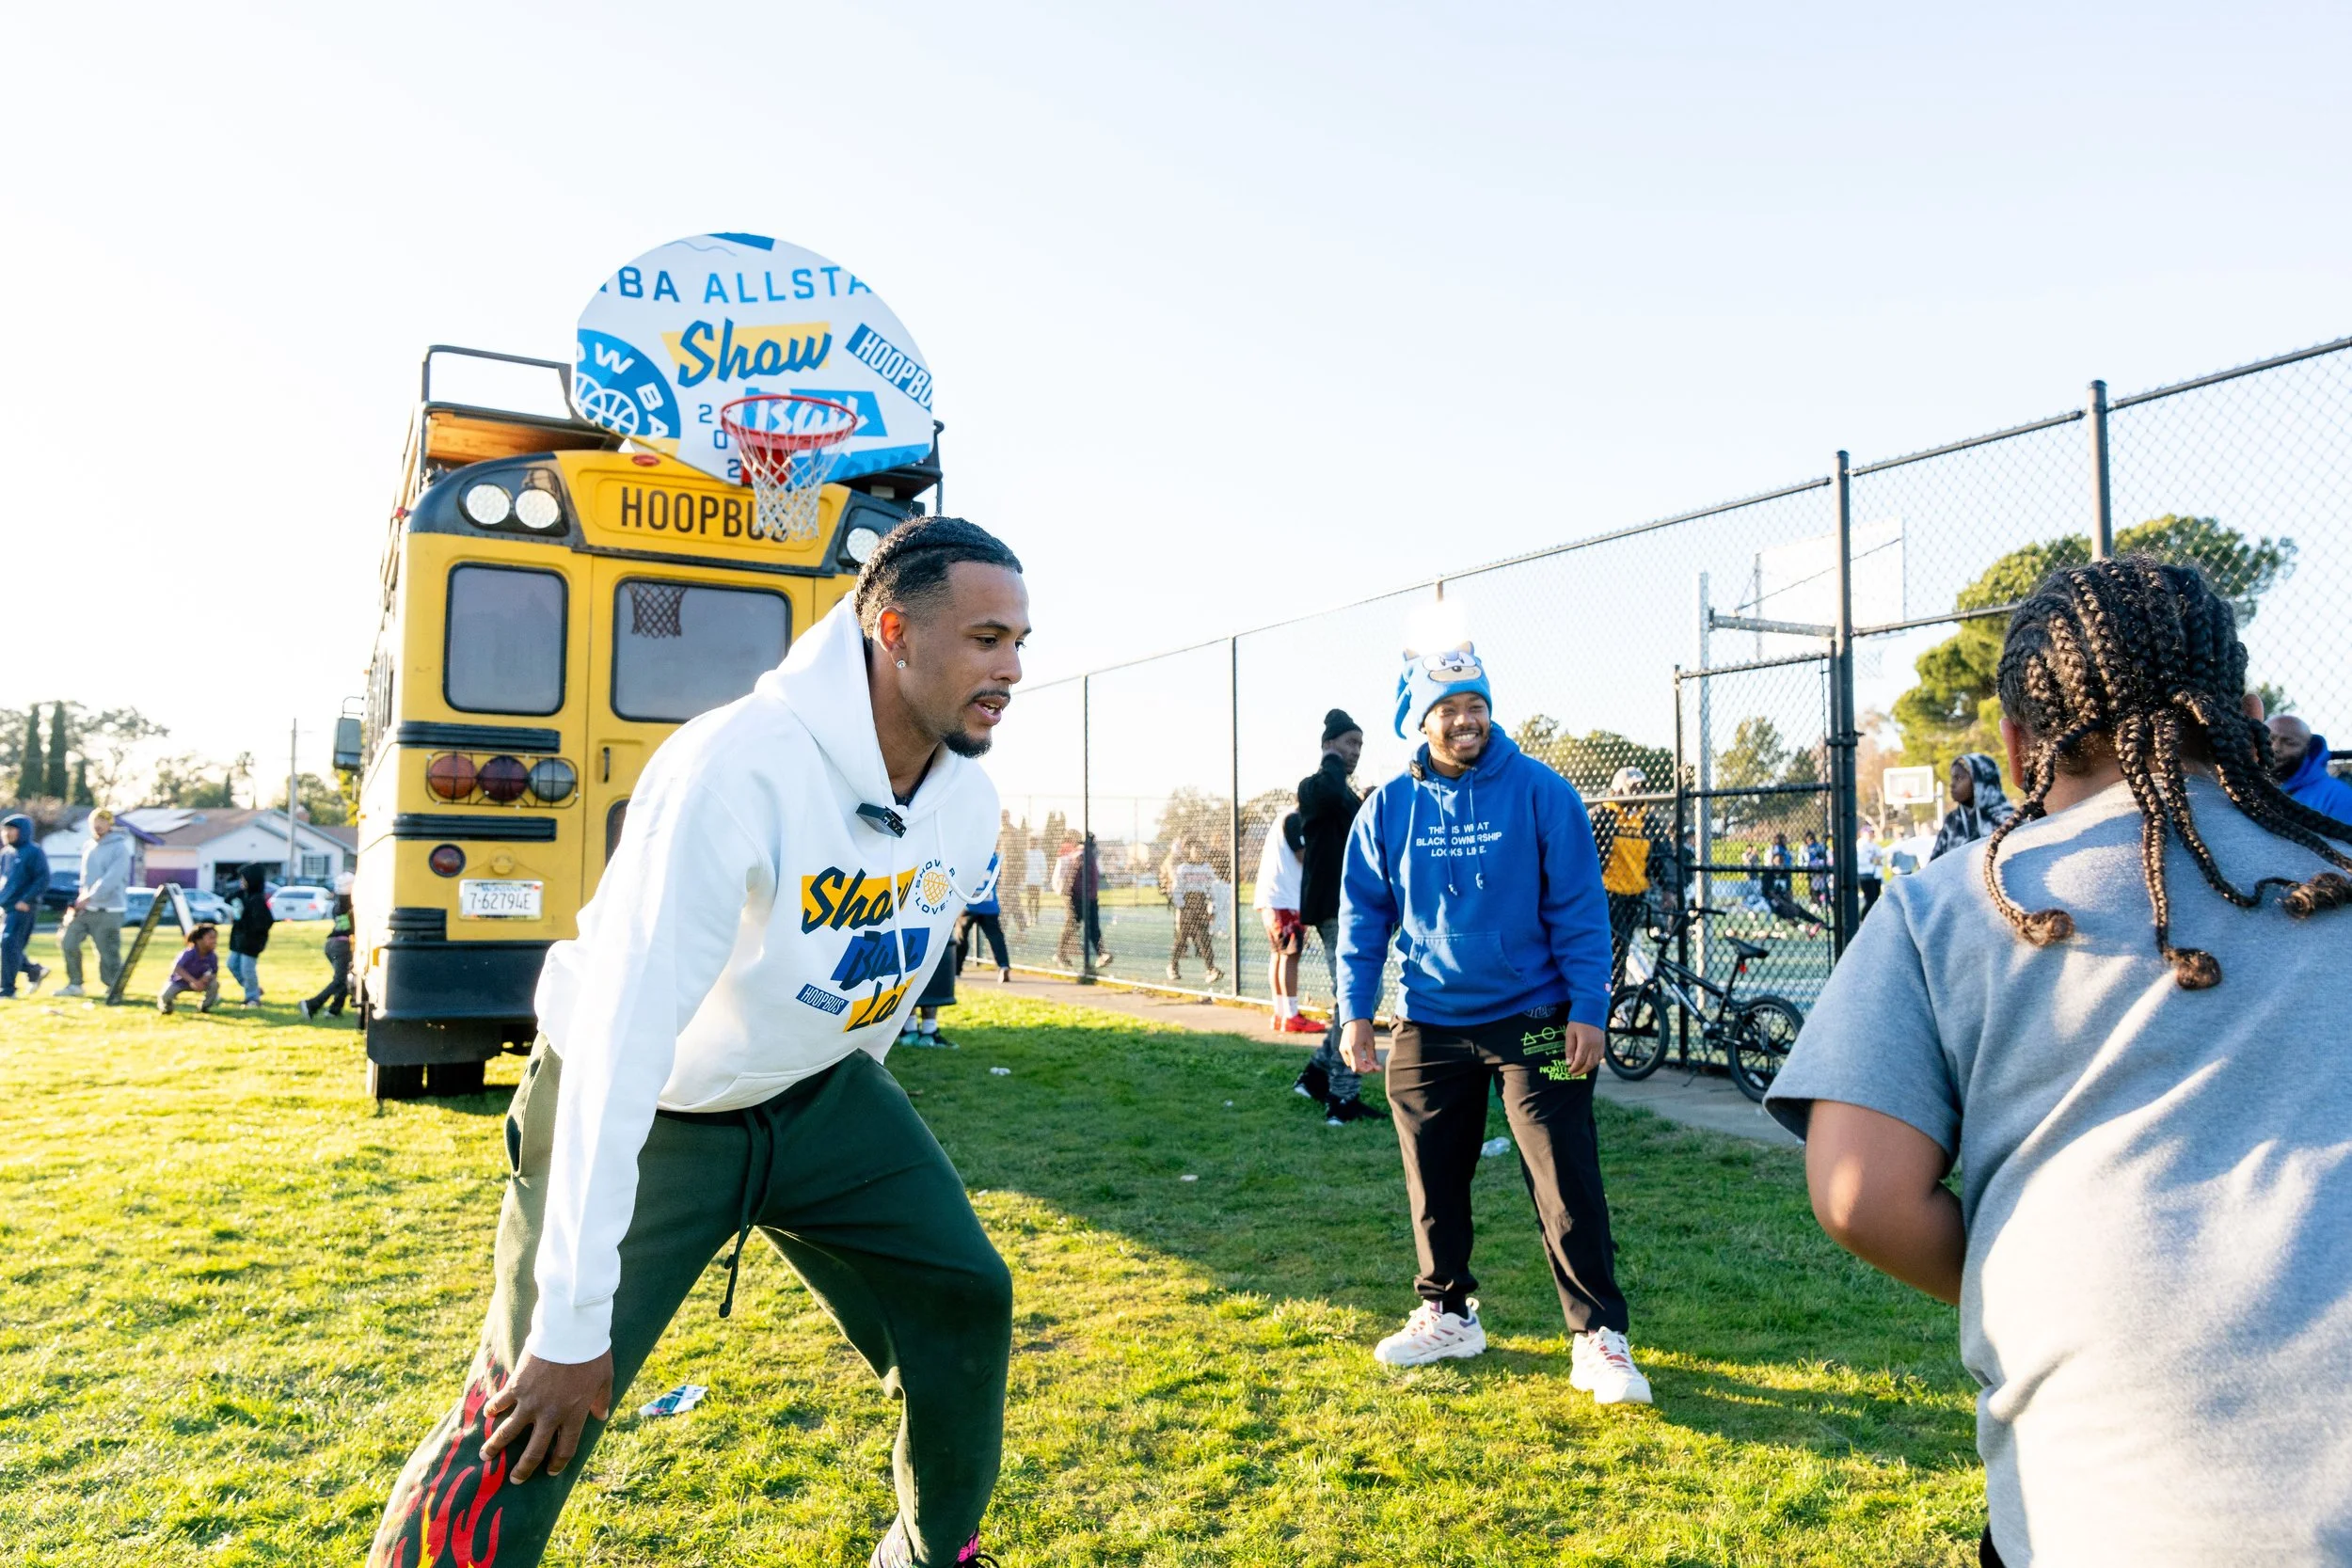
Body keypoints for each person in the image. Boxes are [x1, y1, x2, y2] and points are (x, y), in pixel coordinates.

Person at [371, 516, 1029, 1568]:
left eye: (1019, 642)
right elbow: (619, 1041)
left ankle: (930, 1551)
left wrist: (834, 1128)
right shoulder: (736, 765)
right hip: (650, 1104)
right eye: (987, 639)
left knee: (964, 1294)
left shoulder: (970, 798)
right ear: (895, 631)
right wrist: (570, 1322)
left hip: (814, 1096)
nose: (1012, 669)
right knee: (540, 1402)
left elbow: (881, 988)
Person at [1768, 557, 2352, 1568]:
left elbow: (1860, 1192)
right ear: (2249, 719)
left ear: (2013, 745)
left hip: (2104, 1508)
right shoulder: (2335, 878)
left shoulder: (1952, 904)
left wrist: (2040, 1280)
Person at [1335, 643, 1649, 1403]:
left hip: (1536, 1016)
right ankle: (1447, 1314)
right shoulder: (1387, 807)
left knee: (1563, 1170)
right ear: (1419, 720)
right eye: (1447, 708)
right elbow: (1363, 916)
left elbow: (1579, 906)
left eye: (1475, 704)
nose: (1465, 719)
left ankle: (1598, 1336)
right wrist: (1355, 1011)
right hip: (1429, 1018)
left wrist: (1588, 1007)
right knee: (1433, 1175)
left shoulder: (1542, 791)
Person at [1295, 708, 1372, 1117]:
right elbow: (1326, 791)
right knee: (1356, 997)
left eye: (1360, 744)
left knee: (1356, 996)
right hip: (1333, 909)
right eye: (1349, 743)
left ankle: (1315, 1076)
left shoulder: (1344, 794)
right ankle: (1341, 1098)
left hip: (1357, 908)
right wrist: (1331, 760)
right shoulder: (1316, 787)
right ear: (1328, 744)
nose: (1356, 751)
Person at [1253, 808, 1319, 1035]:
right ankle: (1291, 1016)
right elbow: (1303, 856)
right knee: (1290, 955)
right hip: (1285, 899)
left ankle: (1281, 1013)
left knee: (1279, 955)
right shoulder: (1294, 818)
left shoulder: (1285, 817)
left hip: (1274, 898)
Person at [1588, 766, 1656, 984]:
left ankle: (1620, 992)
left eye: (1642, 787)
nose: (1639, 792)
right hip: (1608, 892)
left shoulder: (1646, 819)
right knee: (1614, 945)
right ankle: (1615, 991)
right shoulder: (1602, 815)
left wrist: (1670, 888)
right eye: (1634, 787)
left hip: (1635, 892)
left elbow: (1661, 854)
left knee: (1624, 946)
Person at [58, 807, 131, 997]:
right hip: (85, 908)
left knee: (107, 952)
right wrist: (82, 898)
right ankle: (75, 984)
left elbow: (112, 878)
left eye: (103, 822)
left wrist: (91, 896)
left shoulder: (120, 848)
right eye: (95, 822)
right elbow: (86, 879)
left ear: (110, 824)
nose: (98, 826)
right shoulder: (88, 846)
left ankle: (113, 988)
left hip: (109, 909)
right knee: (68, 942)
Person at [0, 813, 52, 999]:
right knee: (8, 946)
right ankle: (33, 970)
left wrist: (27, 900)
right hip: (7, 907)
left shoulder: (33, 852)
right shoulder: (6, 853)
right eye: (4, 829)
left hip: (23, 908)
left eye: (11, 829)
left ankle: (7, 990)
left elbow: (43, 879)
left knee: (8, 943)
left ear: (22, 831)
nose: (7, 833)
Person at [2266, 714, 2352, 822]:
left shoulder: (2338, 796)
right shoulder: (2249, 784)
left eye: (2289, 743)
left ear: (2308, 748)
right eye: (2268, 739)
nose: (2275, 748)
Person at [1930, 752, 2013, 860]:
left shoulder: (2008, 819)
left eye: (1959, 778)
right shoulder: (1952, 821)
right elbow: (1935, 863)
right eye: (1952, 778)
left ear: (1980, 781)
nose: (1952, 784)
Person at [300, 872, 356, 1022]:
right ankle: (312, 1004)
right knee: (340, 980)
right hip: (342, 946)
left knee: (344, 979)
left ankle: (334, 1010)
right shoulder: (353, 907)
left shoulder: (338, 905)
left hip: (332, 944)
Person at [1166, 837, 1220, 985]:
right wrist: (1183, 907)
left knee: (1204, 938)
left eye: (1201, 850)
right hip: (1187, 906)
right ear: (1190, 851)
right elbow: (1177, 889)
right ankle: (1173, 966)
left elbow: (1212, 889)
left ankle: (1211, 969)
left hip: (1201, 905)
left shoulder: (1207, 868)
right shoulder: (1183, 868)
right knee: (1182, 938)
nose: (1198, 853)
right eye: (1196, 850)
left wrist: (1212, 908)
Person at [954, 850, 1011, 985]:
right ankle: (1003, 965)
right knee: (996, 937)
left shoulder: (967, 857)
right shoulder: (994, 859)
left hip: (969, 905)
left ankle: (956, 970)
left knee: (960, 937)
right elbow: (997, 878)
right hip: (989, 905)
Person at [225, 864, 274, 1006]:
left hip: (251, 942)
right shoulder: (243, 895)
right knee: (232, 964)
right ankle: (253, 989)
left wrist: (250, 929)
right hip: (238, 941)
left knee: (247, 969)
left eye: (244, 878)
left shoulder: (257, 900)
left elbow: (265, 922)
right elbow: (228, 899)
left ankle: (252, 998)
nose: (241, 881)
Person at [158, 923, 222, 1014]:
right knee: (165, 996)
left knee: (214, 984)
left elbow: (214, 973)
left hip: (200, 982)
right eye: (211, 938)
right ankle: (167, 1009)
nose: (214, 941)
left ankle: (204, 1007)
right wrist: (193, 981)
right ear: (199, 940)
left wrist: (205, 979)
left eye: (215, 938)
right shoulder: (189, 953)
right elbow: (176, 968)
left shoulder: (212, 956)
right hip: (180, 982)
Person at [993, 813, 1028, 935]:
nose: (1003, 819)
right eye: (1001, 817)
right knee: (1013, 902)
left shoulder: (1015, 833)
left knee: (1006, 902)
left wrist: (1021, 873)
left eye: (1005, 817)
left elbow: (1022, 854)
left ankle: (1003, 928)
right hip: (1002, 874)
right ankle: (1022, 929)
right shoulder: (1000, 834)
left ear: (1008, 817)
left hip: (1013, 874)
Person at [1853, 826, 1883, 915]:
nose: (1871, 834)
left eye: (1872, 832)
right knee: (1870, 900)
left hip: (1876, 875)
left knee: (1875, 899)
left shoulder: (1875, 845)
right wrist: (1872, 860)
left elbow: (1879, 860)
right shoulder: (1860, 845)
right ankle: (1863, 918)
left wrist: (1875, 860)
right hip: (1865, 875)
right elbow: (1861, 860)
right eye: (1869, 832)